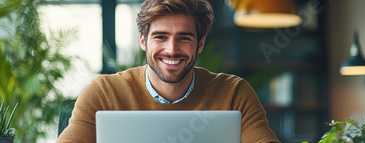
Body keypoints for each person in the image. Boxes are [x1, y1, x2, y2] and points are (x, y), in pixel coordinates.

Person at [57, 0, 280, 142]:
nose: (171, 50)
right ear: (143, 41)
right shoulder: (103, 92)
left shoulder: (234, 93)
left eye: (184, 38)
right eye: (160, 37)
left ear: (200, 44)